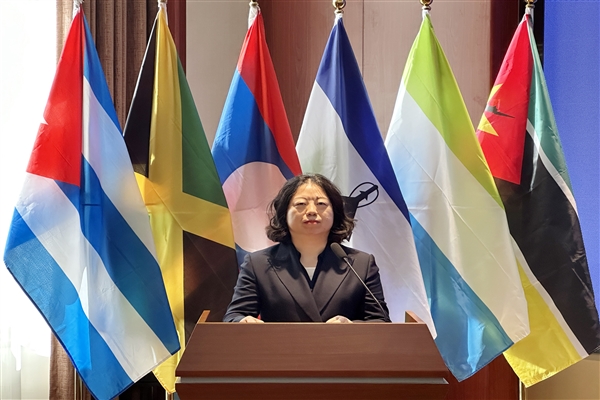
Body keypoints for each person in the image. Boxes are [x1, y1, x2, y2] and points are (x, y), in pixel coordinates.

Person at [223, 173, 391, 323]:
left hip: (342, 348)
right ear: (284, 213)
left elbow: (380, 321)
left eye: (321, 204)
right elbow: (234, 316)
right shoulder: (258, 264)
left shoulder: (361, 264)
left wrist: (350, 327)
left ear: (336, 212)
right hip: (281, 348)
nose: (311, 211)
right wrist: (243, 321)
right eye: (301, 204)